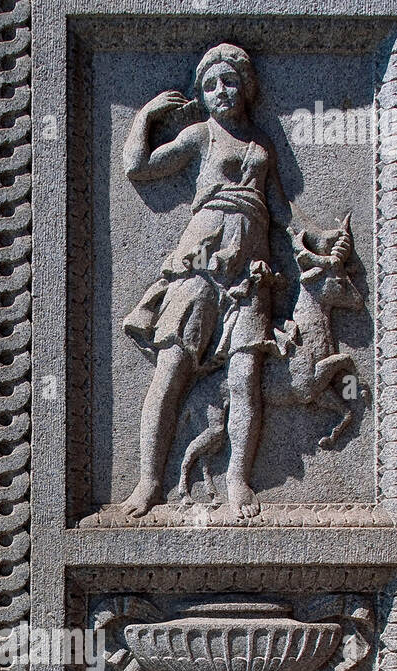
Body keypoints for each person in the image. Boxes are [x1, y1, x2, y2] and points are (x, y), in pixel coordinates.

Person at [120, 43, 299, 517]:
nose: (222, 91)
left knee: (245, 378)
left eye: (231, 81)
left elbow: (281, 212)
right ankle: (148, 483)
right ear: (203, 92)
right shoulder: (201, 136)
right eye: (212, 84)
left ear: (247, 87)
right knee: (171, 370)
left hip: (253, 269)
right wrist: (147, 117)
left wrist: (315, 240)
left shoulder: (261, 147)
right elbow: (138, 168)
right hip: (200, 259)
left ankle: (239, 480)